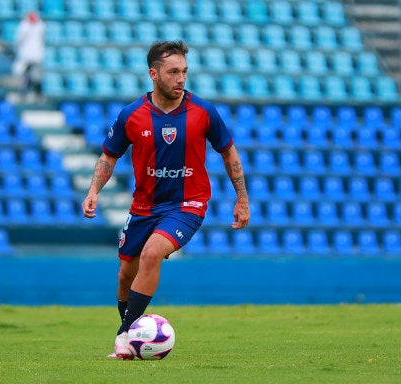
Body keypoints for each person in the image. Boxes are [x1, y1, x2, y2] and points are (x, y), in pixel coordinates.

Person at [81, 40, 250, 359]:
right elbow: (108, 156)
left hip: (188, 204)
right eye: (173, 72)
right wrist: (93, 191)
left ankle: (125, 335)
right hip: (144, 206)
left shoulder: (203, 111)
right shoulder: (132, 114)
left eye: (184, 71)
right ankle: (129, 329)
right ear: (153, 74)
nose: (181, 78)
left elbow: (228, 152)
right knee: (125, 274)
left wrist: (242, 199)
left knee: (152, 253)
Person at [13, 11, 45, 101]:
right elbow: (19, 39)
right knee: (25, 75)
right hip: (27, 54)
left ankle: (37, 93)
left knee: (36, 75)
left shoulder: (39, 26)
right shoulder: (25, 26)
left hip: (34, 54)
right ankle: (24, 92)